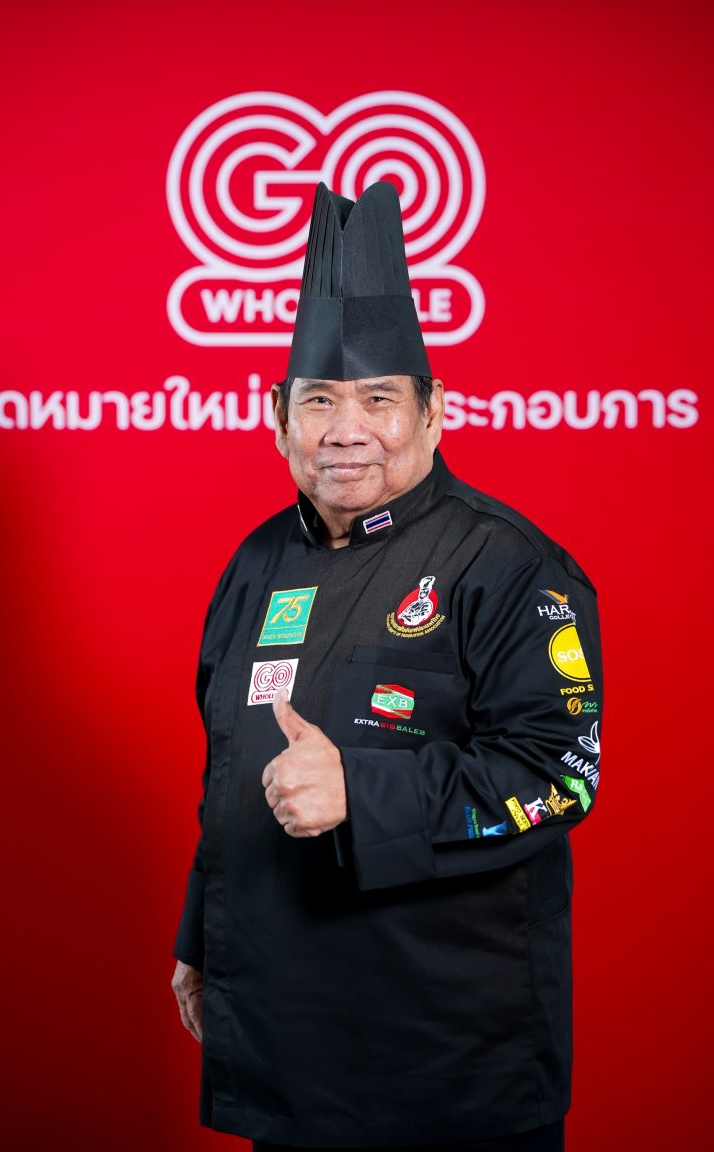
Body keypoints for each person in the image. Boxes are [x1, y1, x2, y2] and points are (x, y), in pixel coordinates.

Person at [171, 181, 603, 1152]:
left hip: (448, 1062)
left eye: (378, 399)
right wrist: (204, 936)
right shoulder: (257, 563)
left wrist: (359, 793)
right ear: (278, 417)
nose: (345, 428)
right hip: (285, 1050)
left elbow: (559, 776)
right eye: (319, 400)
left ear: (434, 412)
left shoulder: (507, 564)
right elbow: (230, 767)